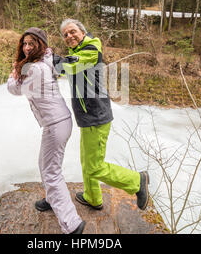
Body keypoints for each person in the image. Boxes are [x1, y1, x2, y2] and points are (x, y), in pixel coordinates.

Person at [54, 19, 149, 211]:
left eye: (72, 31)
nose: (69, 36)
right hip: (87, 117)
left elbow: (69, 66)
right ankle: (93, 197)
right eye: (65, 35)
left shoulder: (90, 49)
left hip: (96, 116)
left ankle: (137, 180)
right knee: (87, 161)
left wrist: (50, 59)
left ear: (82, 32)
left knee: (95, 166)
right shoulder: (78, 51)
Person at [7, 27, 85, 234]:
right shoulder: (45, 60)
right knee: (47, 164)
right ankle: (52, 199)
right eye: (24, 43)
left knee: (51, 172)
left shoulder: (35, 69)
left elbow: (14, 89)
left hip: (55, 124)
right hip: (60, 121)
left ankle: (72, 223)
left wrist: (15, 71)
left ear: (40, 44)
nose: (26, 47)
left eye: (32, 43)